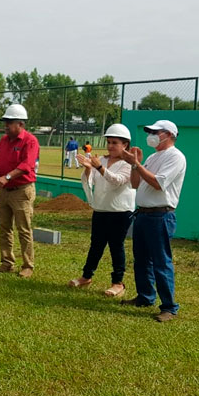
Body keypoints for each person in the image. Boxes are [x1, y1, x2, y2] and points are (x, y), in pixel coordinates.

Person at [119, 120, 187, 323]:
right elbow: (135, 183)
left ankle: (169, 307)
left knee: (160, 262)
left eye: (155, 132)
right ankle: (145, 296)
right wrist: (134, 166)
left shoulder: (176, 157)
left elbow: (158, 183)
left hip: (160, 216)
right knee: (141, 260)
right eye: (150, 131)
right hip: (144, 214)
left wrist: (137, 164)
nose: (151, 135)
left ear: (168, 134)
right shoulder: (153, 156)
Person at [68, 124, 135, 297]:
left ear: (125, 145)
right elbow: (92, 182)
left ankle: (118, 282)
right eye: (109, 142)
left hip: (120, 211)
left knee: (116, 246)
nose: (111, 146)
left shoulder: (128, 164)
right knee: (96, 245)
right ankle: (86, 276)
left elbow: (117, 181)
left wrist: (98, 167)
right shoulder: (102, 161)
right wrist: (89, 169)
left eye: (115, 142)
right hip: (101, 209)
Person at [0, 104, 40, 278]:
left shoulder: (30, 141)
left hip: (22, 191)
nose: (6, 126)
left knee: (23, 229)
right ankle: (7, 262)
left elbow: (26, 165)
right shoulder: (4, 140)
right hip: (5, 191)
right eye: (6, 122)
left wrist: (6, 177)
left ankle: (28, 265)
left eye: (9, 122)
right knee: (4, 228)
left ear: (20, 124)